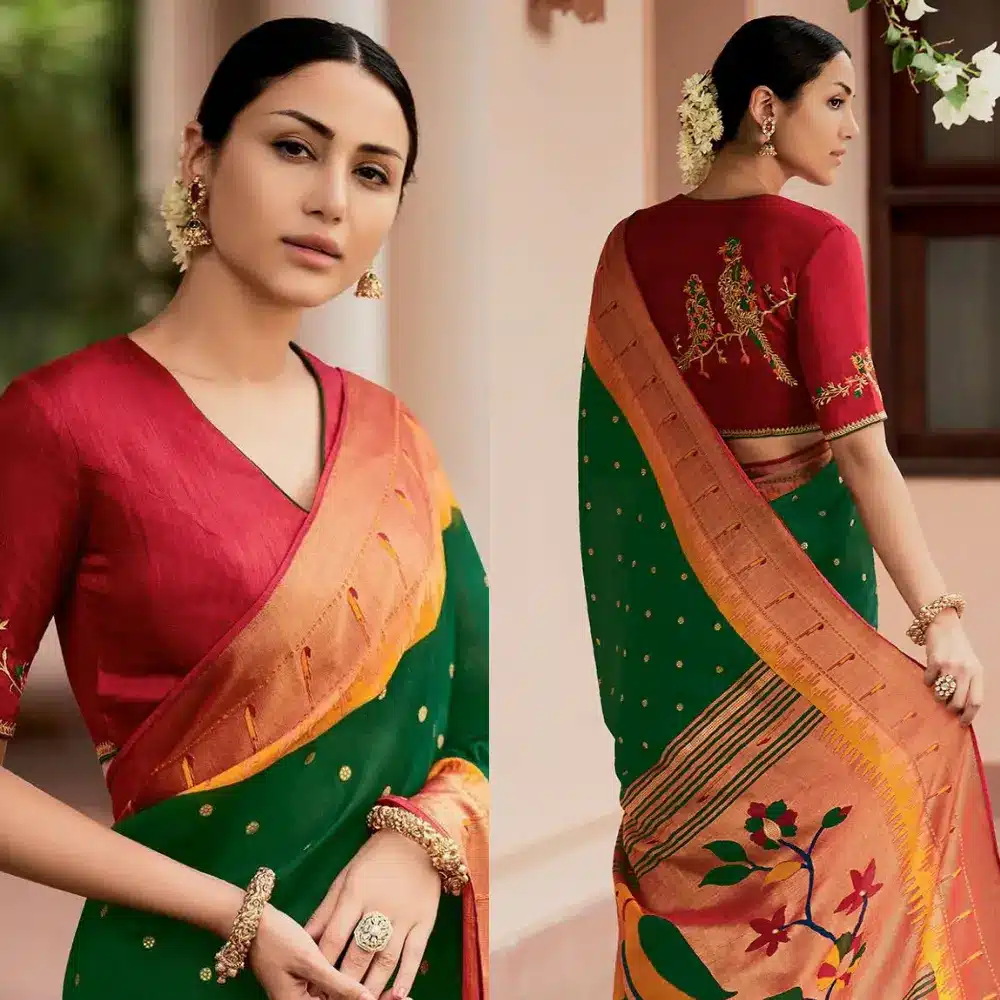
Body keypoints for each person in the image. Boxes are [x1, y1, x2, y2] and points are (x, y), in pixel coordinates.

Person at [0, 18, 487, 1000]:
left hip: (390, 969)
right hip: (175, 968)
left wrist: (420, 840)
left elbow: (465, 731)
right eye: (294, 147)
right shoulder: (60, 423)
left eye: (372, 172)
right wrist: (236, 912)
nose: (328, 200)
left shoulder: (395, 440)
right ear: (200, 154)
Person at [579, 15, 1000, 999]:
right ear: (767, 110)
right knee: (849, 835)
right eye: (837, 101)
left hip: (668, 646)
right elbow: (858, 450)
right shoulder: (818, 244)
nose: (852, 126)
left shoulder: (624, 251)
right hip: (798, 616)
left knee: (703, 859)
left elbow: (608, 485)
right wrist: (941, 622)